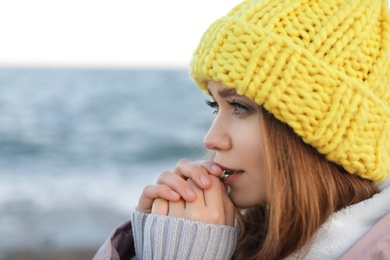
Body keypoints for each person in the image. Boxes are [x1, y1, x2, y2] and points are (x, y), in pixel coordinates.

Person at [94, 0, 390, 259]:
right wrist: (153, 244)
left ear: (321, 131)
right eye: (215, 106)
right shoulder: (237, 235)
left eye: (240, 106)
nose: (211, 139)